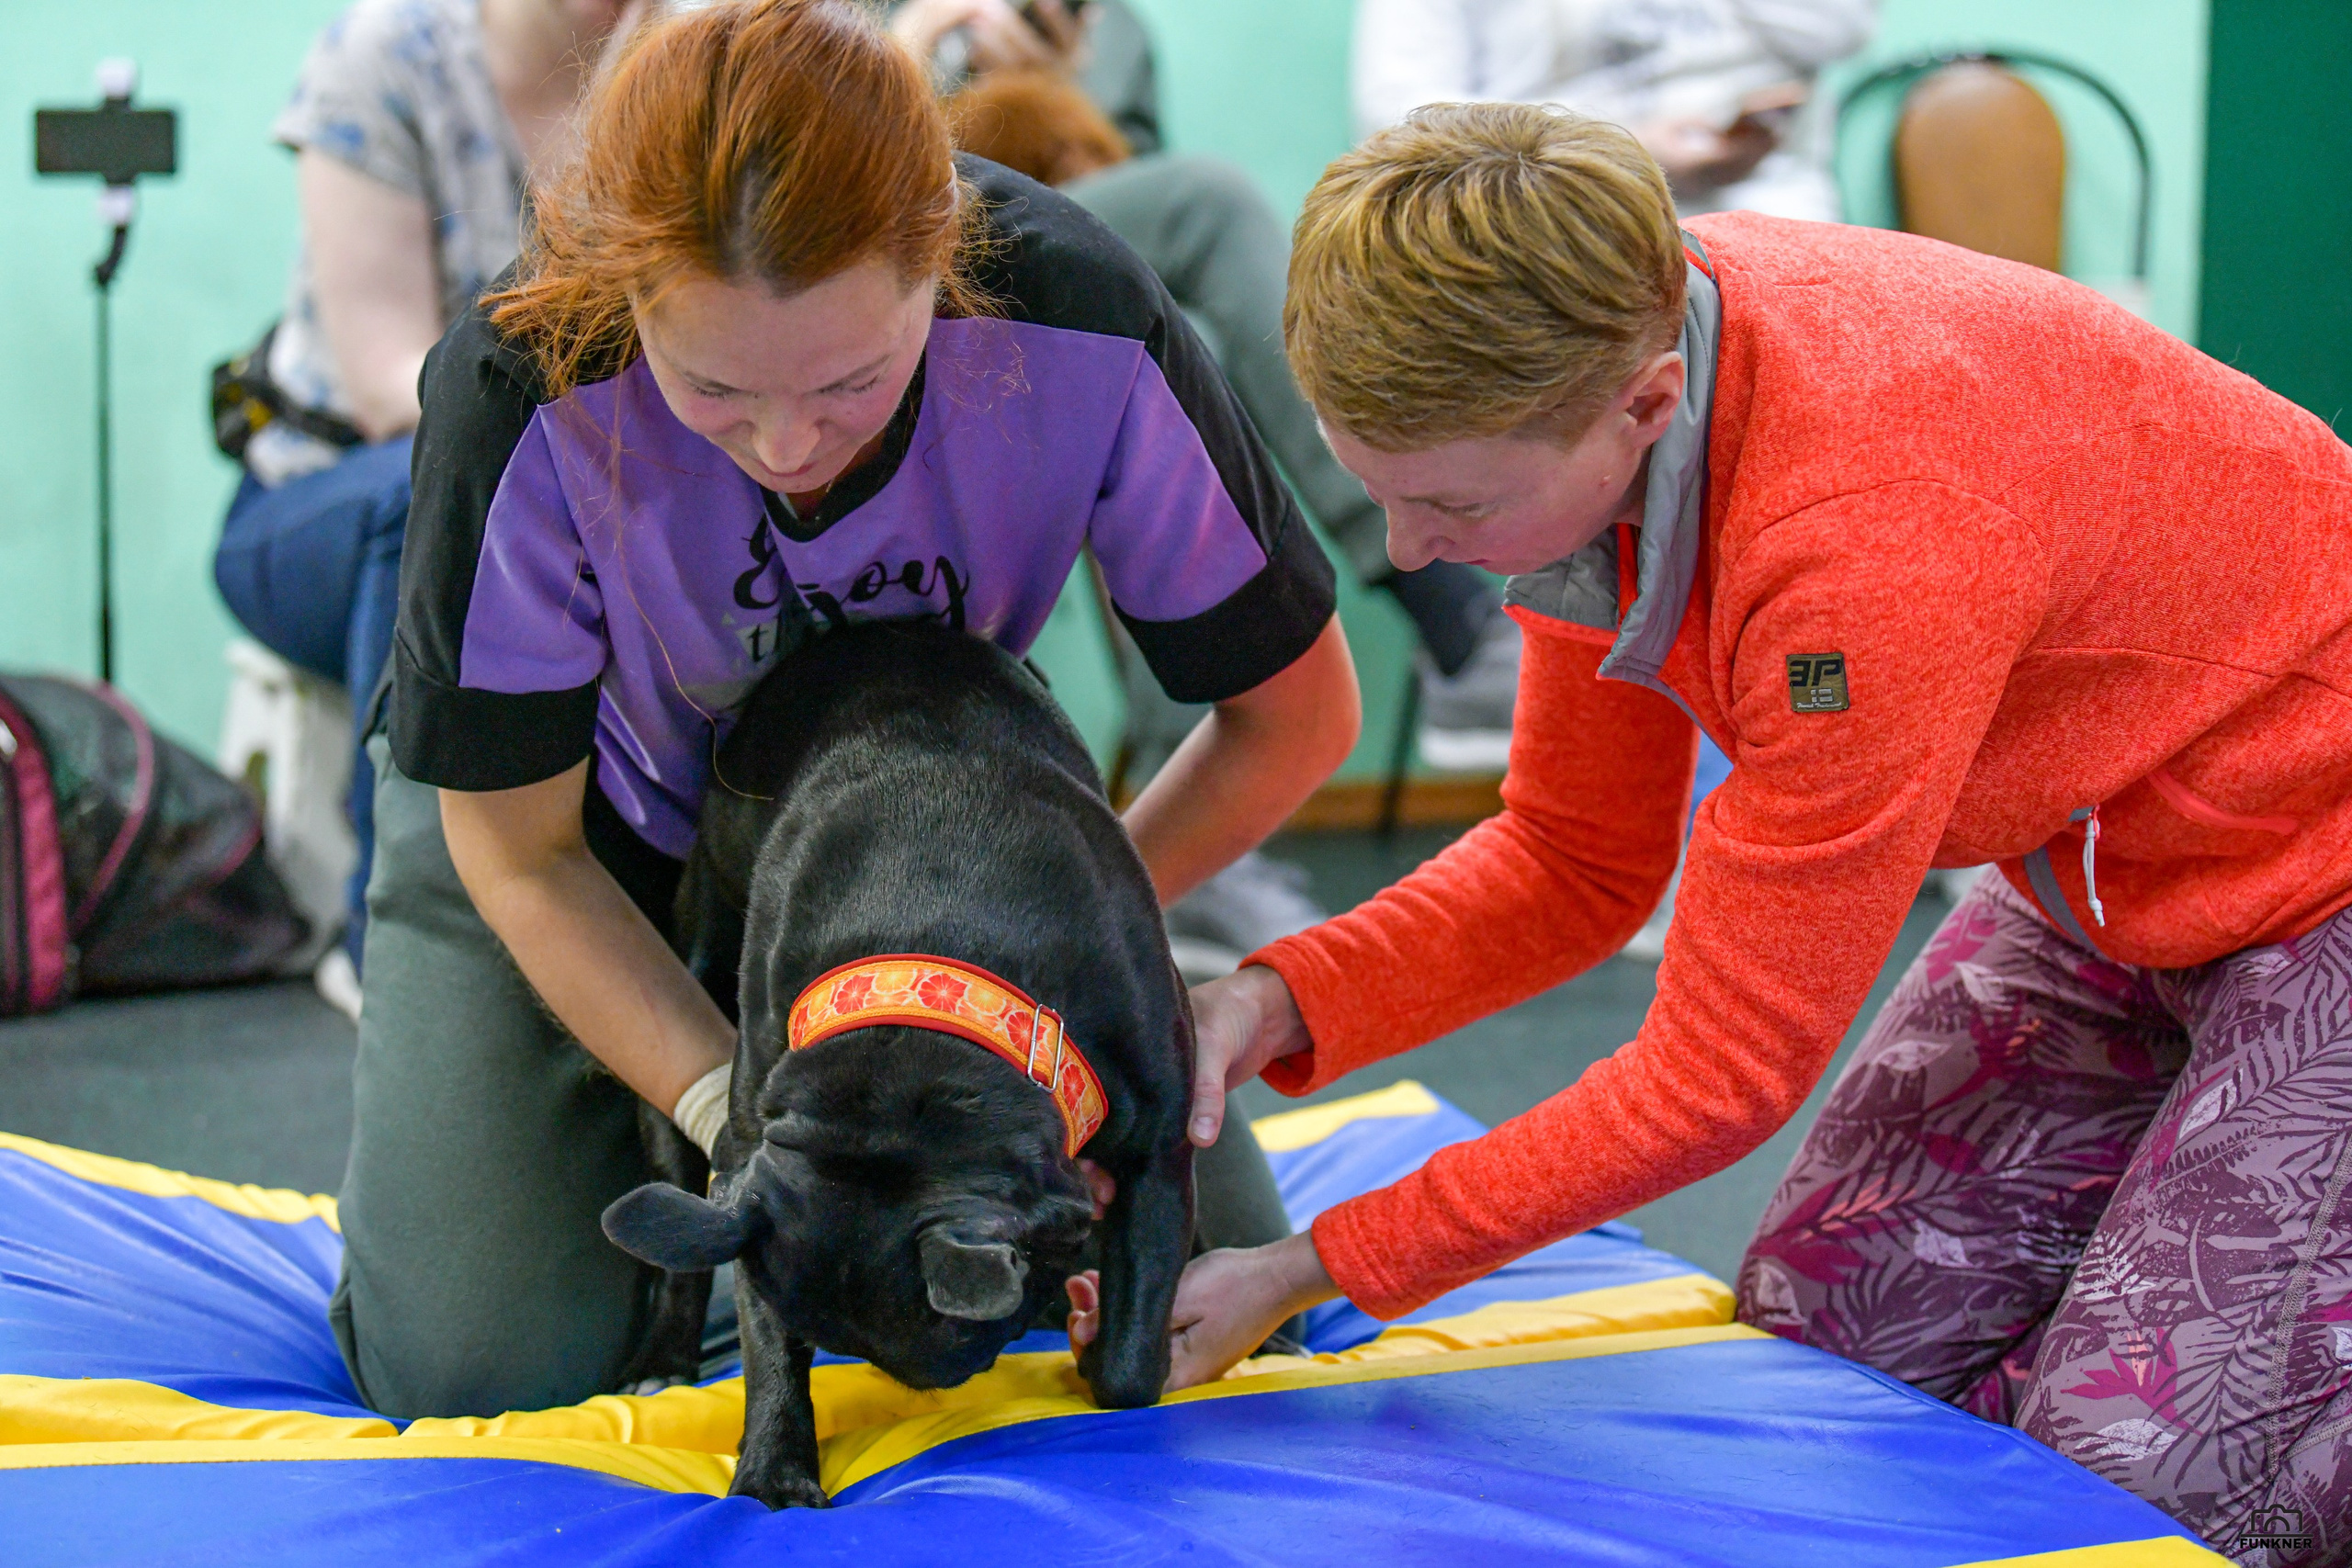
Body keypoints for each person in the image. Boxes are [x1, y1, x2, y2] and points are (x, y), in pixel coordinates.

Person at [1138, 104, 2352, 1558]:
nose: (1405, 550)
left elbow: (1720, 1070)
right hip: (2104, 864)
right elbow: (1574, 861)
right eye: (1375, 488)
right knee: (1831, 1333)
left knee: (2138, 1475)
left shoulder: (1859, 543)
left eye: (1448, 502)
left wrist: (1315, 1261)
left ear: (1647, 407)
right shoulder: (1591, 386)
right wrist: (1271, 996)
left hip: (2322, 867)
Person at [337, 0, 1358, 1419]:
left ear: (945, 259)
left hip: (925, 831)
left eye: (856, 379)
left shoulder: (1073, 309)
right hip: (584, 831)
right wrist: (734, 1109)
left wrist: (1058, 938)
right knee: (478, 1366)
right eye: (712, 388)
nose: (788, 446)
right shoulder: (522, 377)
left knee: (1217, 1277)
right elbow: (520, 855)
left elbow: (1292, 716)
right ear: (623, 294)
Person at [211, 0, 642, 1014]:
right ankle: (397, 956)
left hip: (568, 484)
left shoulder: (688, 46)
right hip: (321, 495)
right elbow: (384, 390)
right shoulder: (384, 55)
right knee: (434, 502)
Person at [1351, 0, 1878, 222]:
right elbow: (1400, 116)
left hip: (1766, 213)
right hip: (1545, 216)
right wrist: (1622, 146)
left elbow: (1840, 28)